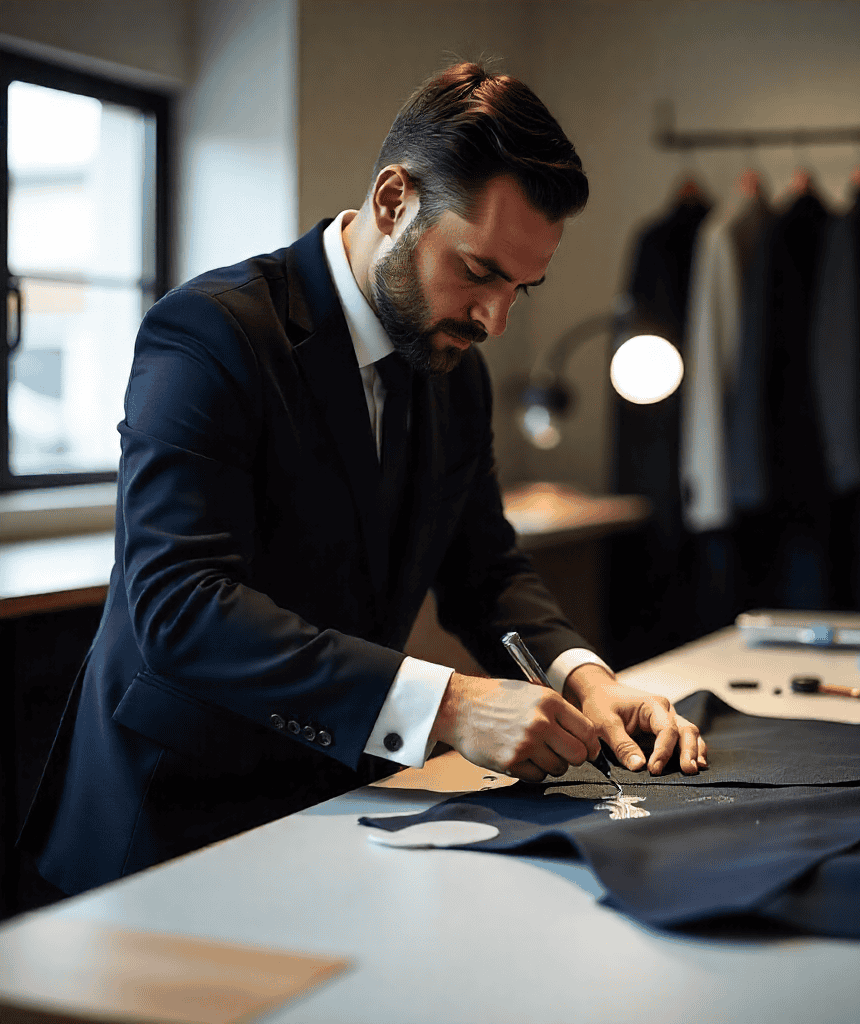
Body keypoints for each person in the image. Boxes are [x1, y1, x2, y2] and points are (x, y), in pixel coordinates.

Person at [20, 62, 706, 898]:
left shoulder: (457, 364)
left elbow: (485, 567)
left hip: (340, 804)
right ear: (393, 201)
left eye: (522, 287)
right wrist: (451, 705)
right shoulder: (210, 333)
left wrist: (584, 678)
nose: (496, 320)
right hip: (170, 822)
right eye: (481, 271)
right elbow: (180, 606)